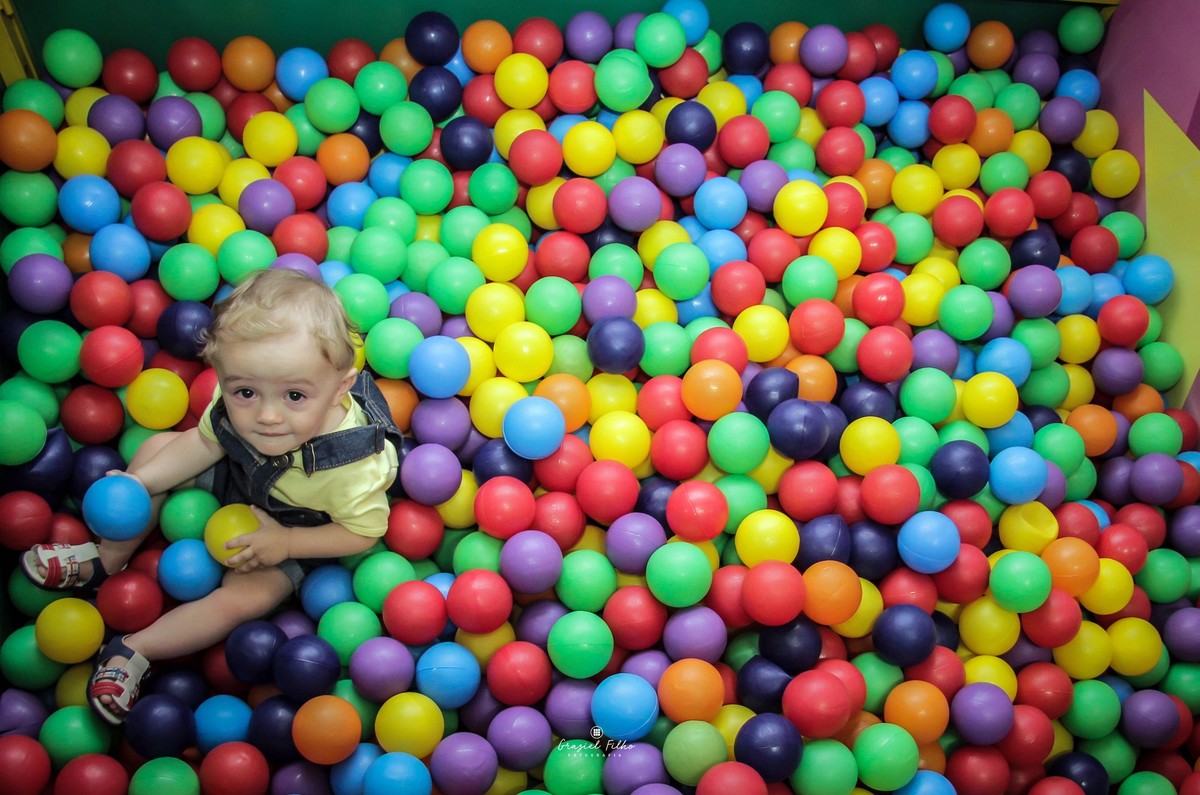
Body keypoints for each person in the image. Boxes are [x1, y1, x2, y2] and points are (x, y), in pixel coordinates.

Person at [21, 268, 403, 725]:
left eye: (295, 396)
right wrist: (139, 486)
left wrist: (285, 543)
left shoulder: (353, 467)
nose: (267, 415)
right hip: (242, 477)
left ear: (340, 387)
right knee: (157, 449)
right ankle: (108, 557)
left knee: (246, 599)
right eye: (245, 392)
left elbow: (363, 532)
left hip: (300, 523)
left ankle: (136, 649)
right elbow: (204, 444)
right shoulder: (243, 399)